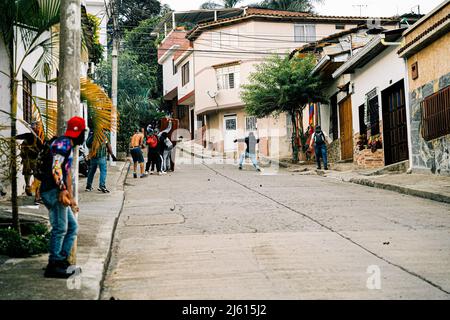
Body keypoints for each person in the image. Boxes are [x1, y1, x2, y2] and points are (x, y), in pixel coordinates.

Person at [39, 116, 86, 278]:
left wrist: (71, 198)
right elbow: (56, 168)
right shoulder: (63, 144)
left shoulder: (68, 145)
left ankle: (61, 261)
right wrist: (62, 190)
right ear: (80, 133)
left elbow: (66, 173)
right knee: (60, 228)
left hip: (58, 190)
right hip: (53, 191)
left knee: (72, 228)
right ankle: (54, 265)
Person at [16, 122, 43, 204]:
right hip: (30, 160)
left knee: (32, 175)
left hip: (32, 160)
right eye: (35, 127)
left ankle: (32, 191)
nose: (36, 129)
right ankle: (31, 191)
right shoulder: (31, 136)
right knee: (32, 175)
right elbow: (19, 137)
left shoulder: (38, 138)